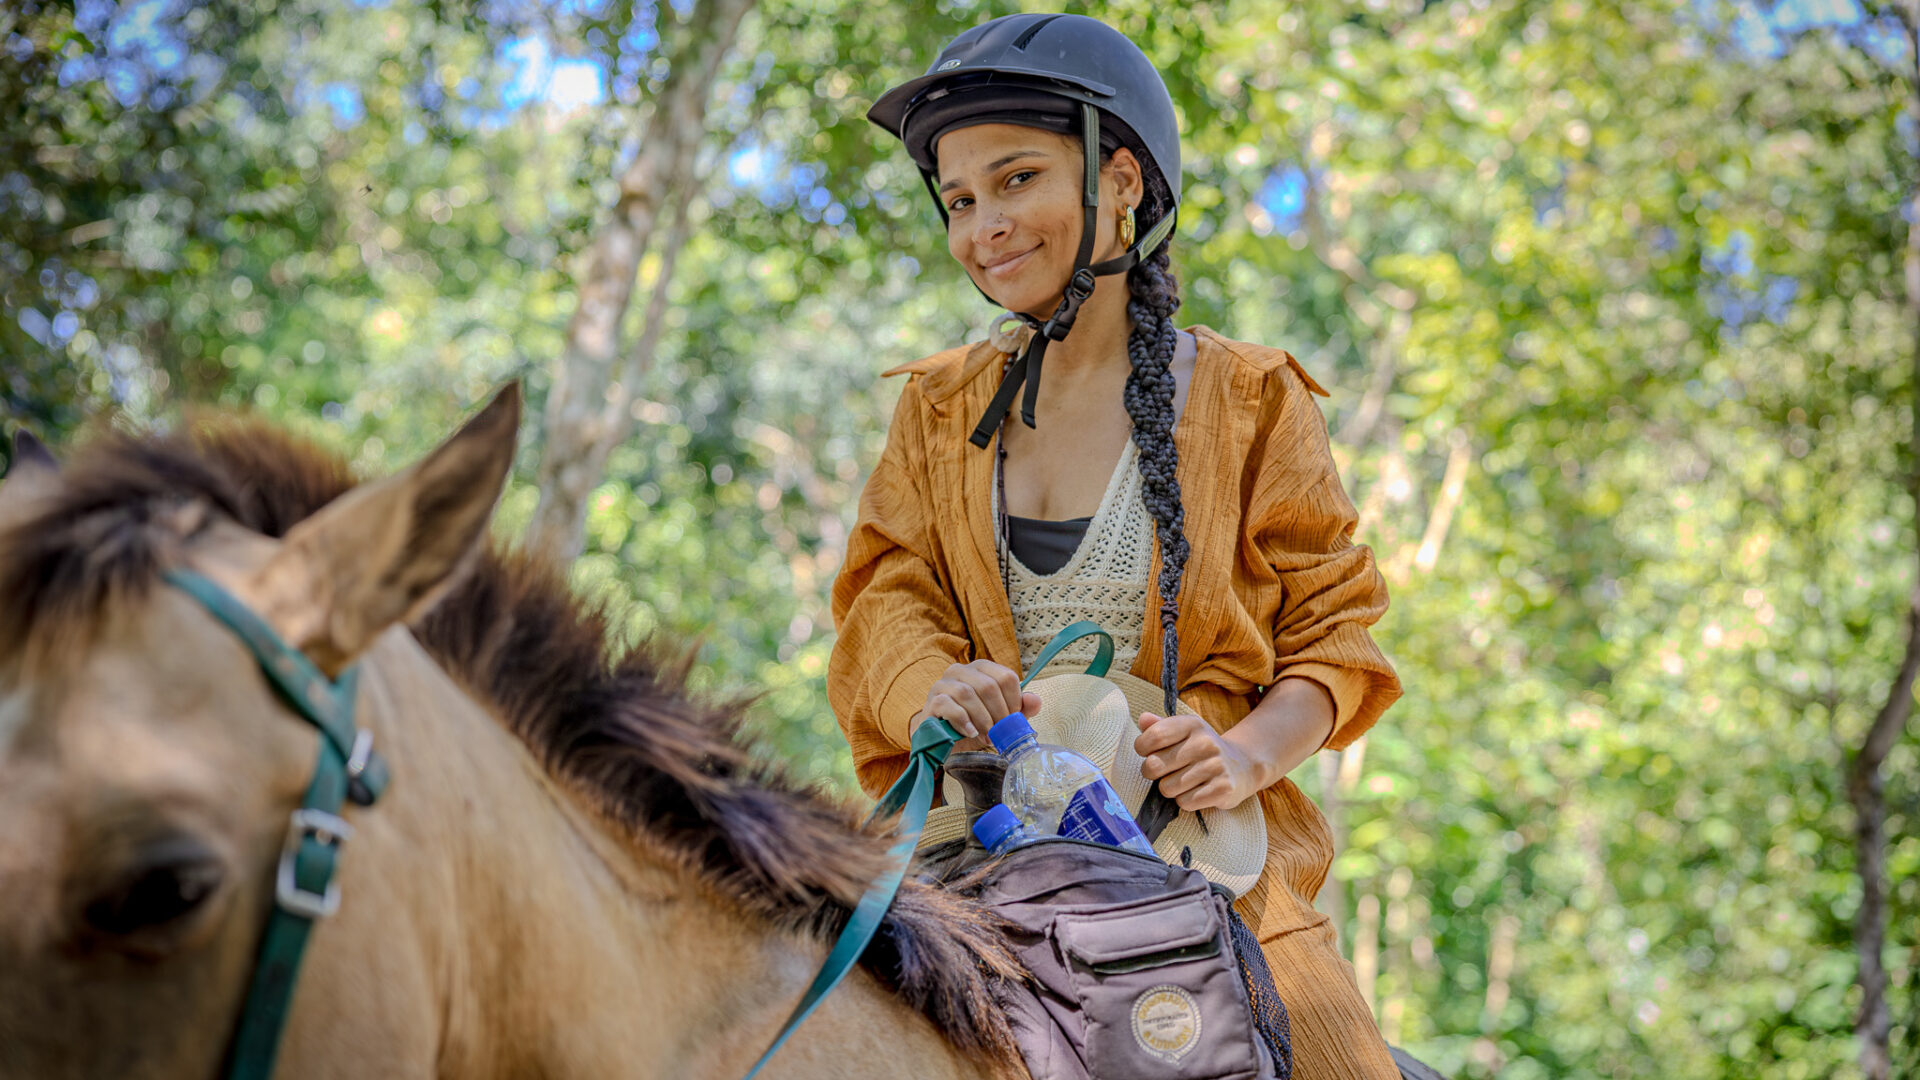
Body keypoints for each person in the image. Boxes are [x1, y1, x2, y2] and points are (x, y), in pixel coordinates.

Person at [828, 13, 1404, 1079]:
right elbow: (887, 597)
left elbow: (1336, 636)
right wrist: (932, 689)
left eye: (1016, 180)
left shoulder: (1252, 399)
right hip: (976, 854)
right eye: (959, 201)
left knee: (1337, 1059)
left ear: (1123, 180)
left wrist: (1241, 757)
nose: (984, 226)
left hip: (1207, 866)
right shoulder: (936, 408)